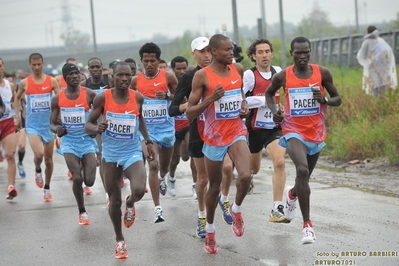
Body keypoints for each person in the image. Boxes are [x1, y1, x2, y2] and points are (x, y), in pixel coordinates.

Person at [265, 36, 342, 244]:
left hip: (315, 133)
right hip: (292, 130)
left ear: (310, 52)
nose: (302, 55)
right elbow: (269, 94)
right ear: (292, 53)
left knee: (304, 179)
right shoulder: (283, 76)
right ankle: (307, 226)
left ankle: (292, 194)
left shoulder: (322, 73)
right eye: (298, 52)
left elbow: (337, 98)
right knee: (302, 170)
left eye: (306, 51)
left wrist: (324, 99)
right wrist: (274, 111)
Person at [186, 34, 251, 254]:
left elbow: (239, 93)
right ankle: (211, 232)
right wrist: (211, 98)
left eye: (232, 49)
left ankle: (236, 209)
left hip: (236, 131)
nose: (231, 53)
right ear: (214, 52)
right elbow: (189, 112)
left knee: (245, 175)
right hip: (213, 137)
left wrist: (243, 106)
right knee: (213, 187)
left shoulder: (238, 70)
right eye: (226, 50)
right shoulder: (202, 77)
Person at [85, 61, 155, 259]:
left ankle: (131, 203)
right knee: (114, 202)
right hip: (111, 155)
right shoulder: (103, 98)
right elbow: (88, 124)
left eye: (127, 75)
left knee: (140, 190)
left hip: (132, 152)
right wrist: (96, 129)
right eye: (120, 75)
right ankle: (119, 240)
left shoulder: (138, 97)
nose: (124, 79)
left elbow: (139, 119)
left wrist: (148, 140)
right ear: (112, 77)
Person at [130, 42, 178, 223]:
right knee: (153, 165)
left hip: (167, 130)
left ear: (158, 61)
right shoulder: (136, 81)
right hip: (147, 133)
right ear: (141, 61)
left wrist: (168, 96)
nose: (149, 65)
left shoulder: (169, 77)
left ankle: (162, 178)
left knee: (163, 168)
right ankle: (158, 208)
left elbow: (182, 99)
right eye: (145, 61)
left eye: (152, 61)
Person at [243, 39, 287, 222]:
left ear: (272, 54)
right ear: (253, 56)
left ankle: (277, 208)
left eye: (267, 51)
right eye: (260, 52)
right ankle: (249, 177)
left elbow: (288, 93)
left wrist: (282, 107)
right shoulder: (249, 75)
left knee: (280, 162)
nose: (264, 55)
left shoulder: (278, 72)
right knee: (254, 168)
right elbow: (241, 100)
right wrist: (264, 101)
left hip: (273, 127)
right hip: (254, 128)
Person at [50, 63, 98, 224]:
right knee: (77, 178)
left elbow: (100, 114)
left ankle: (86, 165)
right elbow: (51, 124)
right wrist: (58, 130)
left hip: (87, 141)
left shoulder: (90, 94)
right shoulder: (58, 98)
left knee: (89, 181)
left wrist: (94, 127)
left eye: (76, 73)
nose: (74, 76)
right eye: (70, 74)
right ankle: (82, 211)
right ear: (65, 78)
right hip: (69, 142)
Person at [15, 53, 60, 202]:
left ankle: (47, 188)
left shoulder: (52, 81)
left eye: (39, 64)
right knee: (39, 155)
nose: (36, 67)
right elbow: (17, 97)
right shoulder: (24, 83)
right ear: (30, 65)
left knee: (48, 160)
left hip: (48, 125)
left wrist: (59, 118)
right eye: (33, 65)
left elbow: (60, 99)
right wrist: (17, 115)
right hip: (33, 126)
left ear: (42, 63)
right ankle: (37, 169)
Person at [167, 55, 191, 197]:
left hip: (187, 123)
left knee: (189, 155)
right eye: (178, 69)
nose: (182, 71)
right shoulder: (169, 83)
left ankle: (195, 184)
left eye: (184, 68)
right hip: (173, 125)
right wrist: (168, 97)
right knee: (175, 158)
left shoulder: (191, 80)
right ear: (173, 69)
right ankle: (171, 178)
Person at [356, 25, 397, 96]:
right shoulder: (381, 40)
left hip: (373, 68)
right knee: (383, 85)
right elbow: (389, 53)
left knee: (376, 86)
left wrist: (368, 63)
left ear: (367, 32)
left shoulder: (367, 42)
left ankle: (379, 102)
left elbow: (361, 56)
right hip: (384, 69)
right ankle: (383, 102)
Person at [0, 58, 18, 199]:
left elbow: (14, 101)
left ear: (3, 67)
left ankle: (11, 187)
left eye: (0, 66)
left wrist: (17, 116)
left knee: (10, 155)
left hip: (7, 122)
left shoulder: (10, 85)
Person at [5, 73, 26, 178]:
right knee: (10, 152)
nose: (11, 84)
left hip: (19, 123)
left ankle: (20, 163)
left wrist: (23, 111)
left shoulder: (19, 93)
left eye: (12, 81)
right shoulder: (2, 93)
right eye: (8, 81)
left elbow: (26, 103)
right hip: (6, 124)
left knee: (21, 146)